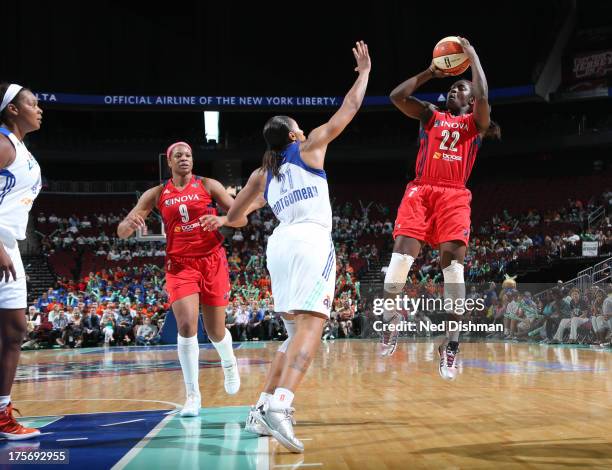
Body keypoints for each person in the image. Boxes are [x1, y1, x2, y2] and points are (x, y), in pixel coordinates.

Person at [204, 41, 370, 453]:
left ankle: (261, 407)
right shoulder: (310, 146)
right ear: (294, 133)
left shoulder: (264, 173)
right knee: (313, 328)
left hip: (278, 247)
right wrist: (364, 72)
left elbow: (238, 217)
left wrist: (224, 218)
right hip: (310, 240)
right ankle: (282, 406)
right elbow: (348, 108)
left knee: (291, 335)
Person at [380, 37, 500, 382]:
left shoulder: (475, 124)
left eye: (461, 89)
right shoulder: (431, 117)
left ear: (471, 98)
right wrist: (430, 72)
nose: (454, 91)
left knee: (454, 274)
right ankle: (391, 322)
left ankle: (451, 346)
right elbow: (396, 97)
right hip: (420, 192)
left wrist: (473, 55)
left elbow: (484, 96)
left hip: (453, 198)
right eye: (451, 88)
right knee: (400, 263)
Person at [117, 141, 256, 418]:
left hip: (212, 260)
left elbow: (241, 219)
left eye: (189, 155)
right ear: (169, 162)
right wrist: (129, 225)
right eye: (178, 155)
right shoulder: (156, 194)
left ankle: (229, 363)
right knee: (186, 325)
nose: (184, 159)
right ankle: (193, 395)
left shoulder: (209, 185)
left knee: (216, 331)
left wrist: (222, 220)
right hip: (180, 265)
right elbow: (121, 231)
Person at [0, 83, 43, 439]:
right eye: (32, 103)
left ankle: (1, 414)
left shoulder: (20, 148)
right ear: (12, 109)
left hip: (9, 245)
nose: (39, 108)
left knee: (15, 332)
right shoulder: (1, 143)